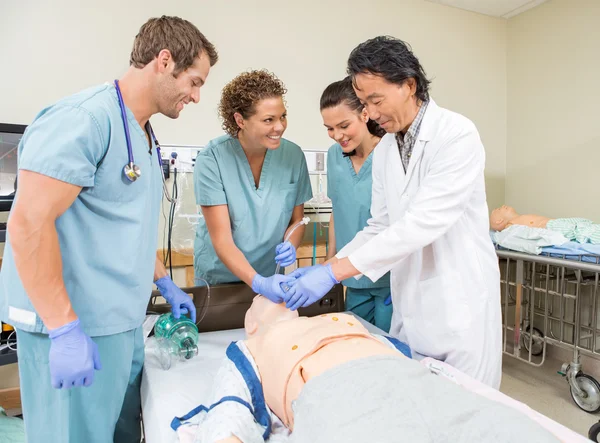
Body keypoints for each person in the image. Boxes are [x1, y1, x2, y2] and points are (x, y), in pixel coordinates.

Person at [0, 16, 218, 443]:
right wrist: (63, 329)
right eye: (194, 82)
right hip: (74, 325)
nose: (195, 96)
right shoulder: (84, 120)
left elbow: (123, 226)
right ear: (164, 60)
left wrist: (163, 281)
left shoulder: (142, 132)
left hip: (119, 323)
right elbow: (28, 224)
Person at [282, 36, 502, 389]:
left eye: (375, 100)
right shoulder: (387, 150)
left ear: (409, 85)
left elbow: (421, 224)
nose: (370, 113)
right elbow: (380, 225)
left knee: (466, 414)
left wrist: (334, 272)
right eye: (364, 103)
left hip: (459, 306)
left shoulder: (456, 135)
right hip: (411, 306)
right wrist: (325, 268)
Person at [172, 296, 560, 443]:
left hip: (412, 381)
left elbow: (411, 358)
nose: (279, 293)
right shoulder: (249, 345)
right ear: (251, 321)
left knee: (508, 429)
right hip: (339, 397)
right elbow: (231, 400)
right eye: (264, 297)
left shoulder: (346, 319)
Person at [193, 70, 313, 302]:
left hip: (271, 275)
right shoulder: (212, 159)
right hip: (221, 278)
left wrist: (292, 245)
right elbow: (222, 240)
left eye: (283, 116)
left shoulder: (293, 156)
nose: (279, 127)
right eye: (268, 120)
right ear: (240, 120)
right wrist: (256, 282)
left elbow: (297, 220)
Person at [319, 77, 392, 332]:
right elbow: (336, 213)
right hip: (351, 277)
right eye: (329, 128)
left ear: (364, 113)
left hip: (389, 279)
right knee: (356, 345)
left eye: (343, 125)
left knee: (391, 353)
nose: (337, 135)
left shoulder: (389, 153)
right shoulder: (333, 156)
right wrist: (330, 263)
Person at [491, 204, 600, 244]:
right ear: (499, 221)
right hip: (552, 227)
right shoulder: (511, 226)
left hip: (558, 222)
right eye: (499, 209)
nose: (503, 205)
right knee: (583, 231)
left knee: (587, 226)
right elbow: (513, 237)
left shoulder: (518, 218)